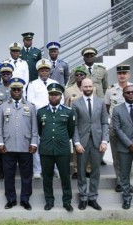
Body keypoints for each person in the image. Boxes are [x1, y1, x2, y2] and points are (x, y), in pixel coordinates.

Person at [0, 77, 38, 210]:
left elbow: (34, 128)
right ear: (10, 91)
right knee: (9, 175)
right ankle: (11, 199)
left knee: (26, 175)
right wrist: (0, 143)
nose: (16, 92)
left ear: (22, 90)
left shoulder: (30, 106)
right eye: (13, 89)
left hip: (26, 146)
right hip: (8, 146)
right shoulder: (3, 106)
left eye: (18, 89)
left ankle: (25, 199)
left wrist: (34, 143)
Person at [105, 64, 133, 193]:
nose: (122, 75)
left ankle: (129, 182)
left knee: (132, 157)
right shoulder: (110, 90)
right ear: (117, 75)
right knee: (117, 158)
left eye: (125, 73)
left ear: (129, 74)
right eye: (120, 73)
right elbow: (107, 107)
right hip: (115, 129)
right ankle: (120, 182)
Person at [72, 78, 109, 211]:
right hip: (82, 142)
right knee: (81, 171)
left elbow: (105, 122)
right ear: (81, 88)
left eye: (90, 86)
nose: (88, 89)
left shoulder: (101, 103)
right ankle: (83, 197)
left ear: (93, 87)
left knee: (95, 171)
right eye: (85, 87)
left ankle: (93, 198)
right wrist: (76, 142)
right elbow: (74, 125)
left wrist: (104, 141)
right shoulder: (75, 104)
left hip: (98, 142)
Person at [37, 83, 75, 212]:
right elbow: (39, 130)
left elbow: (70, 131)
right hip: (46, 149)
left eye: (56, 94)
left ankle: (67, 201)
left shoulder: (68, 112)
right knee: (47, 177)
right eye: (51, 94)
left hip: (62, 149)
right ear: (48, 96)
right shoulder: (41, 112)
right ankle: (49, 201)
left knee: (65, 176)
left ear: (61, 96)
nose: (53, 97)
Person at [27, 59, 63, 179]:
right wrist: (44, 108)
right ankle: (37, 169)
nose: (44, 72)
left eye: (46, 70)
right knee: (36, 143)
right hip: (37, 116)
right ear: (38, 71)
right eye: (42, 70)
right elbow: (31, 101)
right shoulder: (32, 84)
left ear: (49, 71)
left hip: (53, 116)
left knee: (52, 142)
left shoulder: (55, 82)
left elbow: (60, 100)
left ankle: (54, 168)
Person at [64, 67, 90, 179]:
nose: (79, 77)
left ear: (85, 76)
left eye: (81, 75)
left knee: (89, 144)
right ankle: (76, 169)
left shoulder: (90, 88)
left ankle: (88, 169)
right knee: (76, 145)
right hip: (75, 121)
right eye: (77, 75)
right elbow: (66, 106)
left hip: (89, 121)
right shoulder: (69, 90)